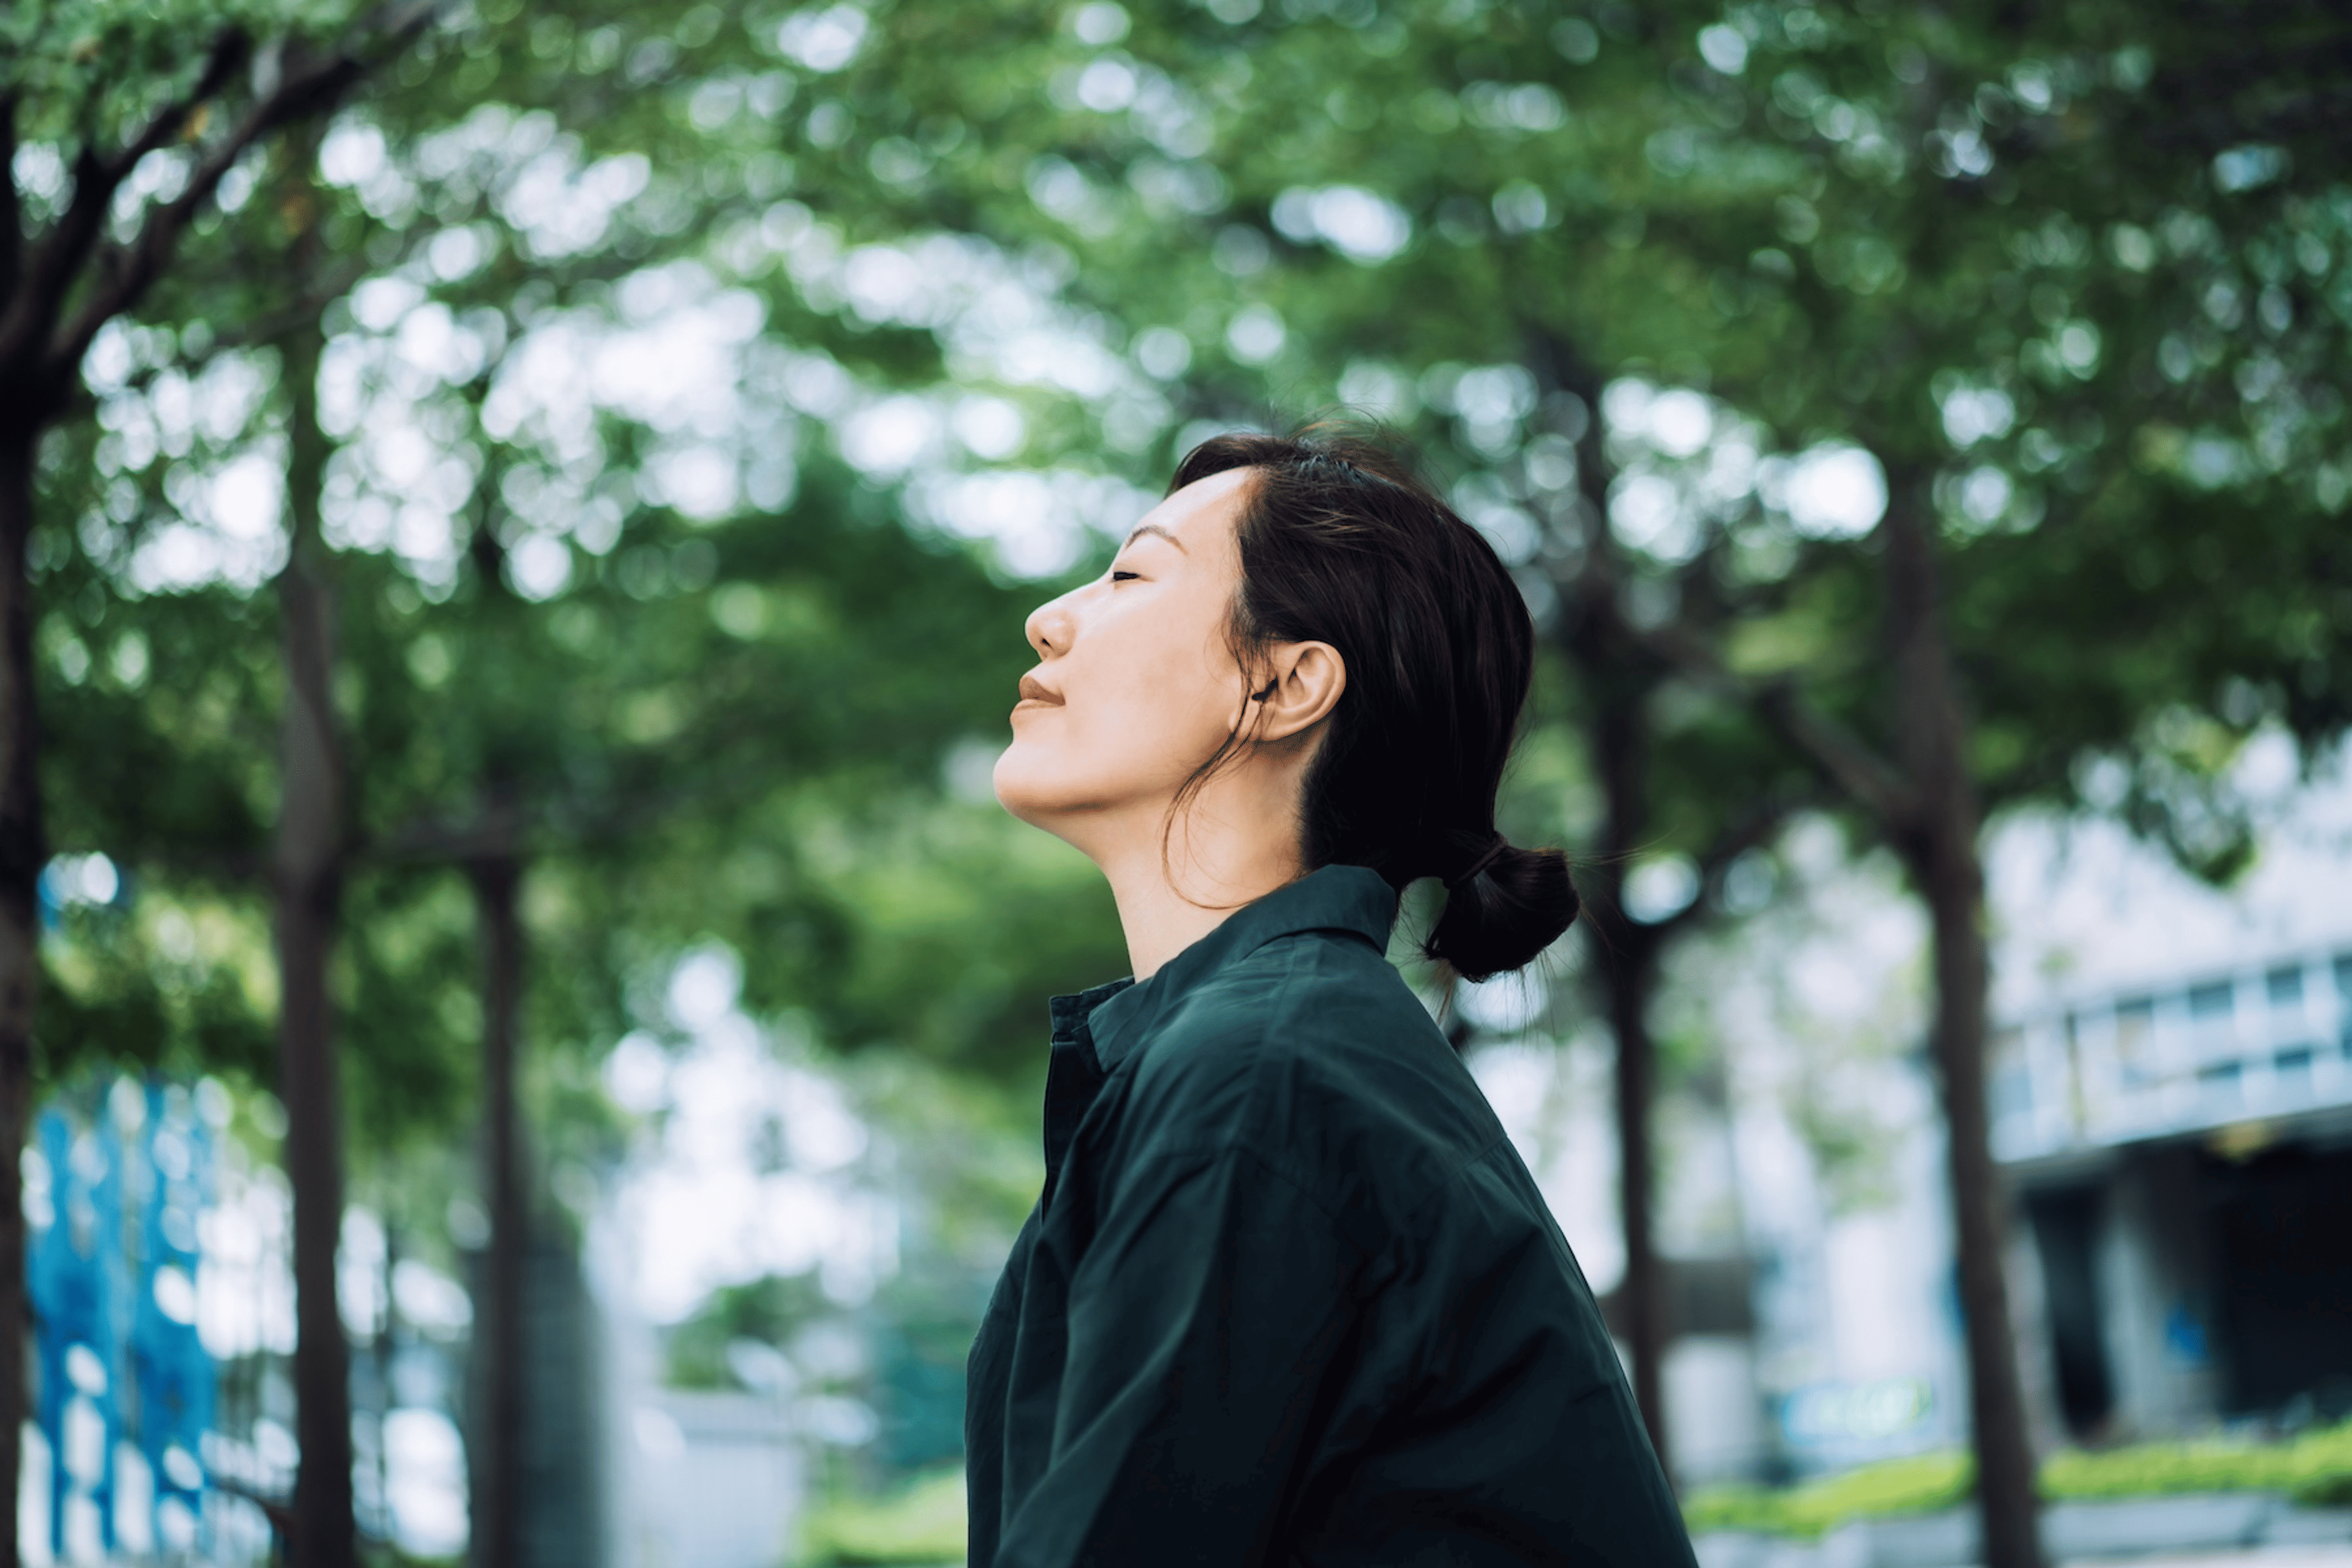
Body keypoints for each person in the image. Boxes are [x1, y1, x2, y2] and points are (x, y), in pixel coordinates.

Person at [967, 426, 1697, 1567]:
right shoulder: (1274, 1051)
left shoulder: (1262, 1078)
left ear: (1284, 683)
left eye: (1130, 574)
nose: (1050, 617)